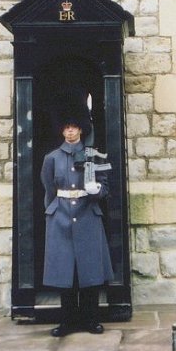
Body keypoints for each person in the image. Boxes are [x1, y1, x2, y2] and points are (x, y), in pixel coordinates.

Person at [41, 98, 114, 337]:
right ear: (62, 129)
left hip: (87, 214)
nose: (70, 130)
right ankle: (67, 321)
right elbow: (49, 190)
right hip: (61, 215)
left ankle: (91, 319)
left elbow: (105, 188)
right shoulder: (52, 158)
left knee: (89, 270)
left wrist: (95, 191)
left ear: (81, 128)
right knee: (66, 272)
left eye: (74, 126)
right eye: (67, 127)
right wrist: (53, 215)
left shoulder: (93, 156)